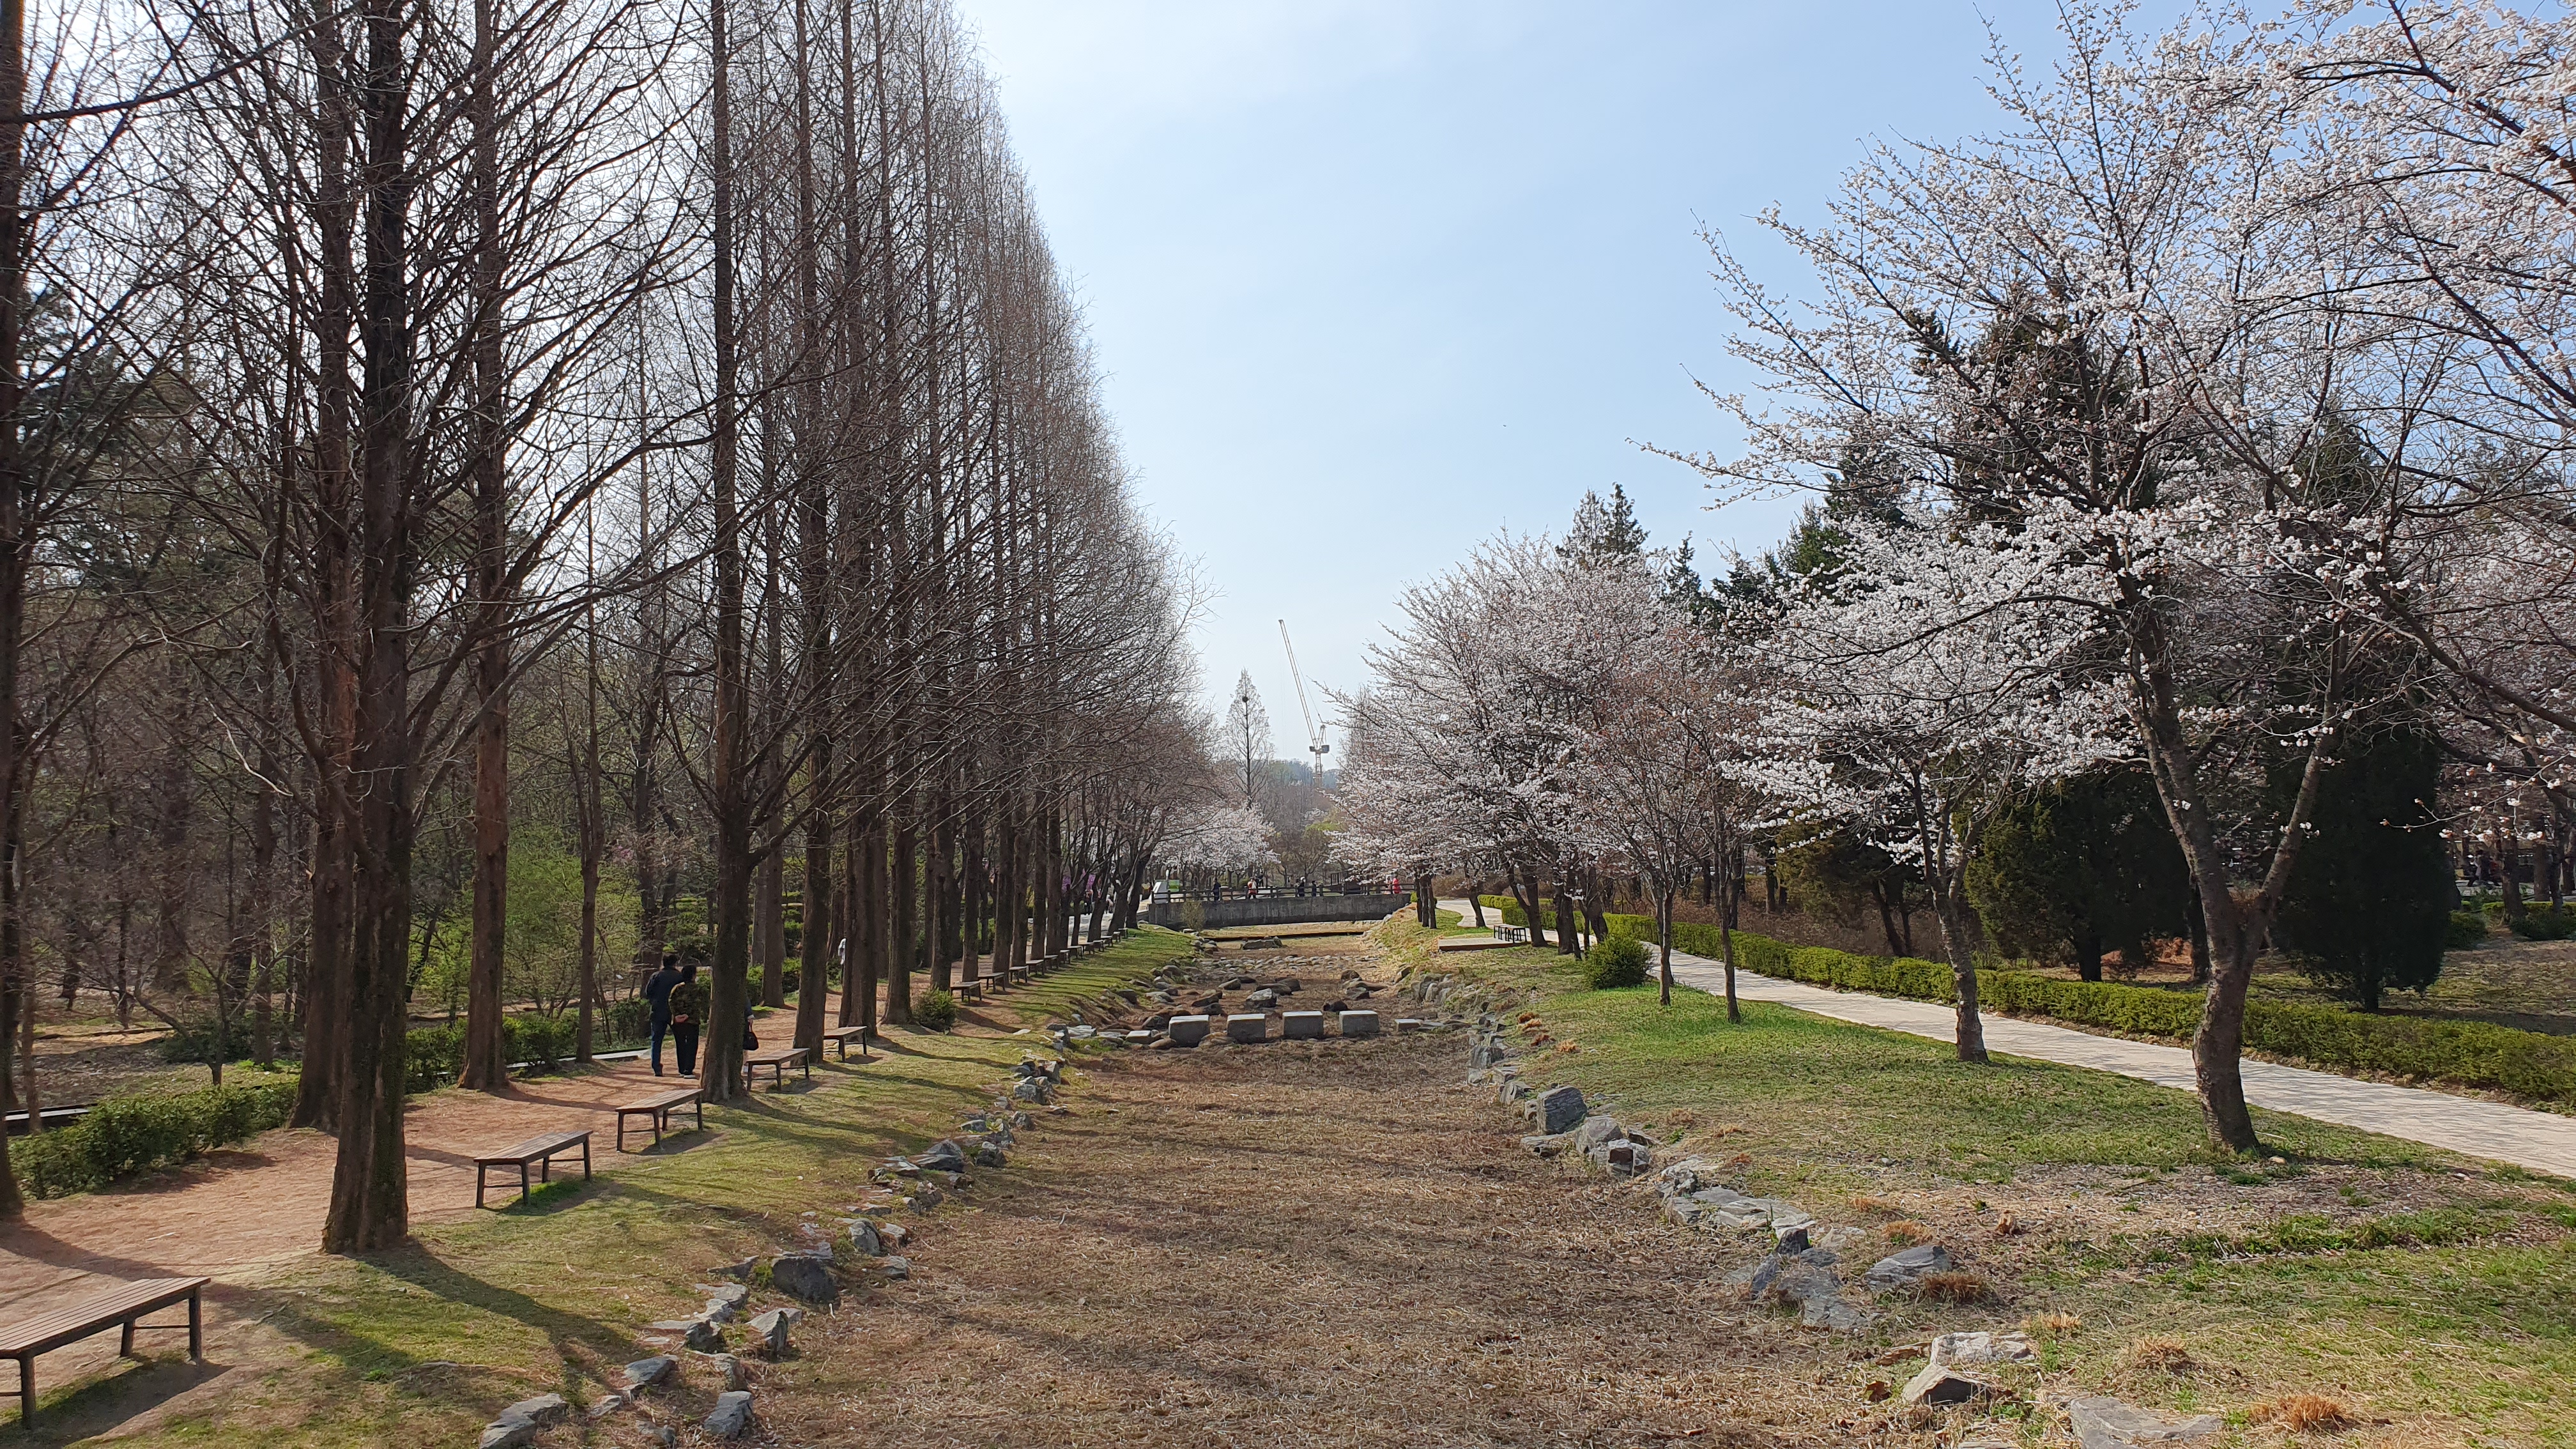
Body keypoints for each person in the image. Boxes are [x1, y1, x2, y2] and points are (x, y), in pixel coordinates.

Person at [643, 951, 682, 1077]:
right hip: (675, 1013)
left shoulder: (656, 976)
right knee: (680, 1040)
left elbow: (648, 992)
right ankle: (683, 1068)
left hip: (657, 1011)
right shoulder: (680, 977)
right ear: (675, 963)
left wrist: (655, 1002)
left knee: (656, 1040)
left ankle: (657, 1068)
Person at [669, 960, 703, 1076]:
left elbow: (671, 1002)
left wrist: (677, 1015)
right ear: (694, 975)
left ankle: (681, 1069)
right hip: (692, 1021)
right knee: (692, 1045)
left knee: (681, 1045)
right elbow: (698, 1004)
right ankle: (689, 1070)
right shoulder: (697, 989)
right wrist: (687, 1015)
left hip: (677, 1022)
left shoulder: (677, 988)